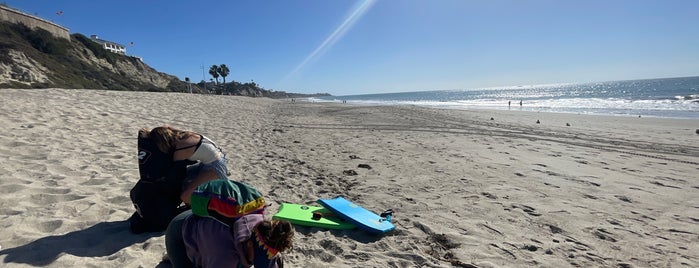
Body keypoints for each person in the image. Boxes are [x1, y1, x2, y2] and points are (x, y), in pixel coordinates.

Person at [165, 179, 294, 268]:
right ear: (248, 243)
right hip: (178, 233)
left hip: (207, 225)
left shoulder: (266, 235)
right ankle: (175, 256)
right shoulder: (223, 254)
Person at [143, 126, 228, 204]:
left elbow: (177, 174)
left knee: (185, 196)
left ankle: (204, 210)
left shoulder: (181, 149)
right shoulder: (183, 135)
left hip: (215, 168)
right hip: (212, 161)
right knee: (186, 181)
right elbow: (167, 127)